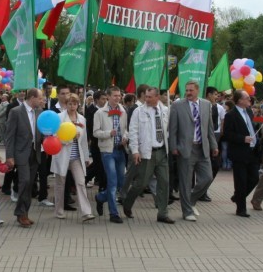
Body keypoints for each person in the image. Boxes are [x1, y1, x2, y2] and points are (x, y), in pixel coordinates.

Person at [121, 87, 175, 224]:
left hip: (162, 152)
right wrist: (135, 151)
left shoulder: (165, 110)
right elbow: (133, 132)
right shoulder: (139, 112)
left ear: (157, 97)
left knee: (164, 182)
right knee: (141, 183)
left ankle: (162, 213)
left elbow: (167, 130)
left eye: (150, 97)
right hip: (146, 153)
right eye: (146, 96)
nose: (147, 99)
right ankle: (127, 203)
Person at [168, 80, 218, 222]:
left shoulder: (206, 104)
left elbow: (209, 127)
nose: (188, 93)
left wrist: (214, 145)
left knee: (207, 177)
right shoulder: (177, 105)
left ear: (197, 90)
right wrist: (174, 147)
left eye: (191, 90)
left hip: (202, 148)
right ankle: (187, 211)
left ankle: (190, 200)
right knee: (185, 182)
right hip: (185, 149)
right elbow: (173, 129)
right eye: (187, 90)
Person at [51, 93, 96, 222]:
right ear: (66, 104)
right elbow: (55, 138)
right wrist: (70, 138)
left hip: (77, 156)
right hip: (62, 155)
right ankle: (59, 211)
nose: (72, 106)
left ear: (78, 105)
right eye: (70, 103)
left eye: (75, 104)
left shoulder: (82, 119)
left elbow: (84, 141)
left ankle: (86, 212)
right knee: (60, 184)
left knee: (81, 182)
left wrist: (86, 157)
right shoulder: (59, 118)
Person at [4, 88, 44, 228]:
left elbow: (41, 132)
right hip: (21, 153)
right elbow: (9, 136)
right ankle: (20, 213)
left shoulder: (40, 113)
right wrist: (9, 156)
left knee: (30, 184)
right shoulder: (16, 112)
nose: (42, 101)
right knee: (25, 181)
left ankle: (24, 213)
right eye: (40, 98)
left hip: (35, 152)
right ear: (32, 97)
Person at [93, 86, 128, 224]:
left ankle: (101, 197)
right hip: (107, 151)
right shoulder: (100, 113)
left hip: (120, 149)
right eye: (115, 96)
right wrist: (108, 133)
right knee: (112, 182)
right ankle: (114, 213)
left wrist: (126, 136)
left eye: (119, 96)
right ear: (108, 96)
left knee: (121, 182)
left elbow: (126, 129)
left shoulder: (123, 111)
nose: (117, 98)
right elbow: (95, 132)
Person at [223, 90, 260, 217]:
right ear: (239, 100)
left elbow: (252, 126)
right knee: (241, 181)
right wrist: (242, 138)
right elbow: (227, 134)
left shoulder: (249, 112)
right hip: (239, 152)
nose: (249, 100)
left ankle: (238, 197)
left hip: (252, 151)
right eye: (247, 98)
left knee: (254, 178)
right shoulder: (231, 115)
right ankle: (241, 209)